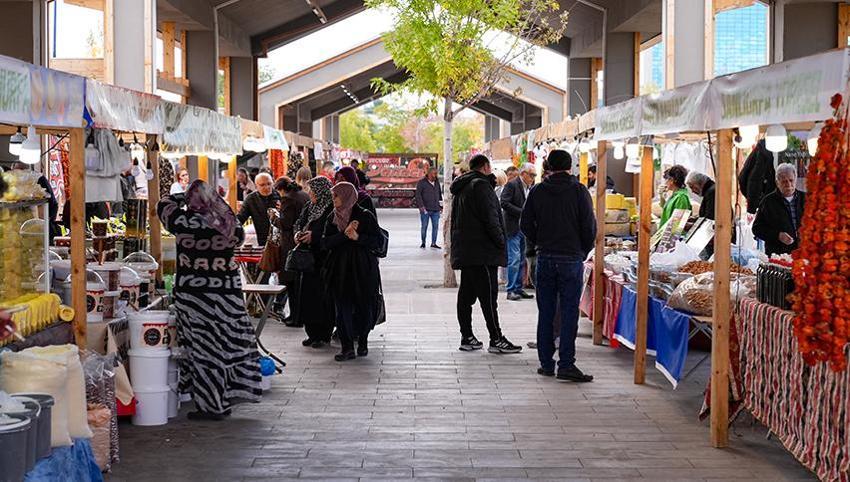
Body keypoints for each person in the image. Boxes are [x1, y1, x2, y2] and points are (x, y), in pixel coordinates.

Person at [157, 180, 262, 420]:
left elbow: (162, 206)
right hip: (227, 296)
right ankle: (224, 397)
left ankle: (211, 405)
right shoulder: (231, 225)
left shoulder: (185, 222)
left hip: (194, 298)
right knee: (224, 347)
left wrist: (180, 198)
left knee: (203, 350)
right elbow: (237, 234)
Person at [520, 150, 595, 382]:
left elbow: (525, 224)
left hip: (545, 257)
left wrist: (539, 241)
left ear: (548, 166)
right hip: (571, 258)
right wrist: (581, 250)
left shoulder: (538, 190)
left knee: (547, 311)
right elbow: (589, 227)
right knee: (570, 312)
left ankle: (546, 363)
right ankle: (566, 364)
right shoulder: (579, 191)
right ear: (570, 167)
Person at [450, 154, 521, 354]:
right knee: (488, 297)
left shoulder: (462, 186)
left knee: (466, 295)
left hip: (467, 250)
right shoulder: (481, 186)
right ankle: (496, 338)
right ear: (486, 167)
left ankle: (467, 336)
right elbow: (491, 218)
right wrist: (501, 241)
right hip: (482, 250)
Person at [321, 182, 382, 362]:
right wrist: (343, 235)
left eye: (336, 196)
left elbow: (377, 241)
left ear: (347, 196)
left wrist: (358, 237)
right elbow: (325, 243)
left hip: (362, 268)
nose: (333, 200)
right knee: (342, 308)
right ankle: (347, 347)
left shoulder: (364, 216)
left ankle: (362, 340)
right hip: (339, 269)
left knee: (364, 307)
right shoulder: (332, 217)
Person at [293, 177, 336, 348]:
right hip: (307, 259)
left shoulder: (331, 209)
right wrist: (297, 234)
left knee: (322, 297)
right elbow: (298, 223)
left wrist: (315, 237)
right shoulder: (309, 206)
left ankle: (323, 334)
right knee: (307, 296)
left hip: (323, 259)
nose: (309, 193)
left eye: (312, 190)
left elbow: (333, 232)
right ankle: (311, 332)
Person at [272, 176, 309, 326]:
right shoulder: (303, 195)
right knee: (299, 284)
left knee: (291, 283)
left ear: (281, 189)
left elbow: (285, 223)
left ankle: (295, 317)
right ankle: (297, 315)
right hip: (302, 243)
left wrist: (274, 217)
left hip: (290, 245)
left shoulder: (288, 199)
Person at [753, 164, 806, 256]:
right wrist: (777, 235)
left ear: (795, 180)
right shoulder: (768, 202)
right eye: (784, 181)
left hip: (805, 252)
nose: (788, 184)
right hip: (778, 256)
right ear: (777, 183)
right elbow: (757, 228)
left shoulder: (806, 199)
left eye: (791, 180)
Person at [501, 163, 535, 301]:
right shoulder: (512, 185)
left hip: (523, 228)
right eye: (531, 175)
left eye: (534, 175)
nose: (533, 178)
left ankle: (518, 288)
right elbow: (504, 203)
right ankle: (511, 290)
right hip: (513, 227)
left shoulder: (529, 187)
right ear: (523, 174)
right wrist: (522, 213)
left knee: (521, 259)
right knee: (514, 259)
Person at [236, 172, 279, 246]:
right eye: (262, 185)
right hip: (263, 240)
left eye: (269, 184)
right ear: (256, 186)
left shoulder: (279, 195)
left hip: (281, 239)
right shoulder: (251, 199)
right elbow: (241, 218)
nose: (267, 187)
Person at [415, 167, 443, 249]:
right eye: (434, 174)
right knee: (424, 227)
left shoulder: (437, 182)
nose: (435, 175)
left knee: (436, 227)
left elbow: (439, 194)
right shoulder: (421, 182)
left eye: (436, 173)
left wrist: (441, 206)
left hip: (436, 209)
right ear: (429, 174)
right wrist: (421, 206)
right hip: (425, 209)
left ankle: (433, 243)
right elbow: (418, 195)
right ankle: (423, 242)